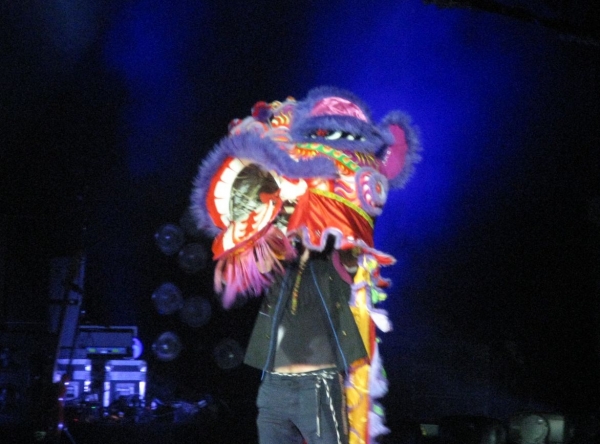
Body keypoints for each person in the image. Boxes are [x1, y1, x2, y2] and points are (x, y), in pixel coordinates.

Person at [244, 239, 368, 444]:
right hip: (274, 387)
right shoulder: (280, 265)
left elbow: (352, 255)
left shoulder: (332, 263)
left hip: (318, 387)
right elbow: (250, 266)